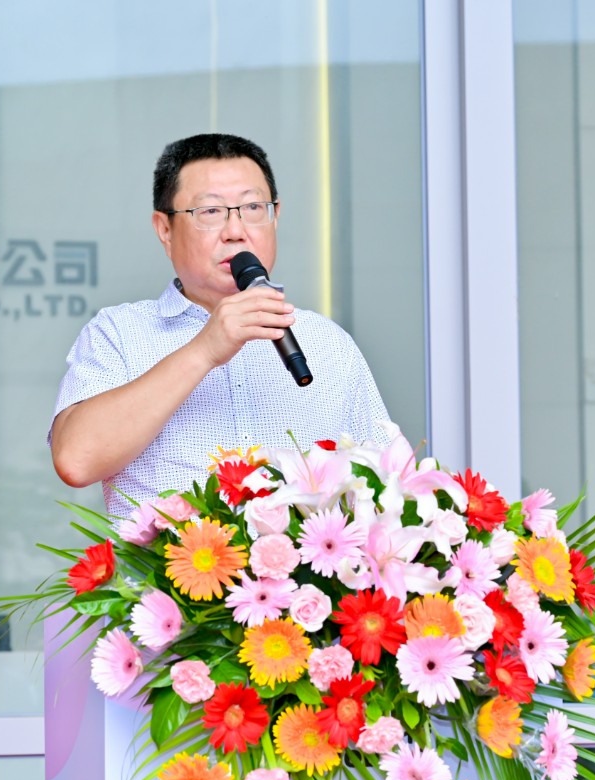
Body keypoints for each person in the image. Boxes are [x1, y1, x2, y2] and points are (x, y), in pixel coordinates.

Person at [49, 133, 393, 513]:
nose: (235, 231)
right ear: (165, 229)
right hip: (178, 553)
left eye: (253, 208)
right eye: (210, 212)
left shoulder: (327, 343)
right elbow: (76, 460)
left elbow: (390, 487)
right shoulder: (119, 333)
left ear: (276, 216)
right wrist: (205, 350)